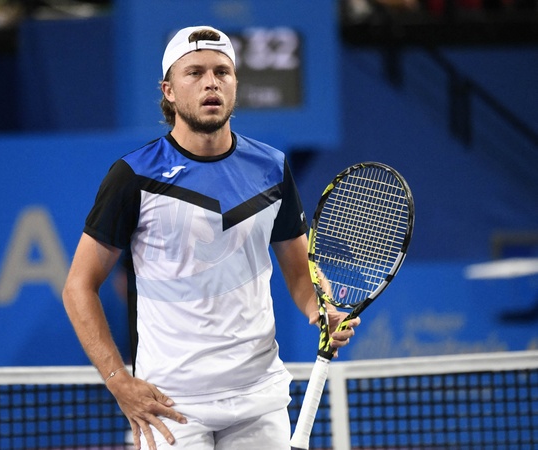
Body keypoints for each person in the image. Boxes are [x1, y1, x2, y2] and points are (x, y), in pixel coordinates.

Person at [62, 25, 361, 450]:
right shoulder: (133, 176)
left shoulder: (271, 167)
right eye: (195, 72)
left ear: (235, 84)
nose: (211, 82)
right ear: (168, 91)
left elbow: (300, 272)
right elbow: (78, 286)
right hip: (170, 405)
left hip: (259, 398)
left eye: (222, 72)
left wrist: (321, 308)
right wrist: (117, 380)